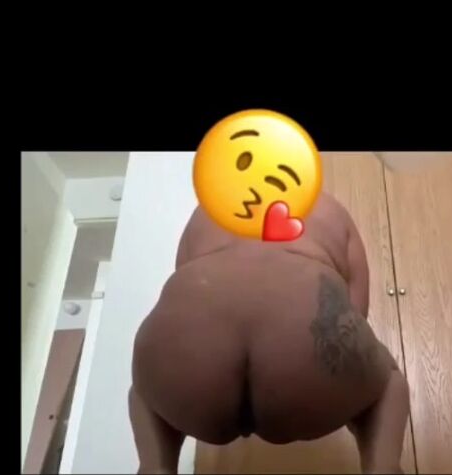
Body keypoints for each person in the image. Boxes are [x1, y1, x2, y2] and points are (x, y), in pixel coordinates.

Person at [130, 192, 411, 474]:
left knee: (147, 391)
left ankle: (155, 466)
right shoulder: (326, 207)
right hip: (304, 330)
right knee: (388, 386)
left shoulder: (209, 209)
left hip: (197, 331)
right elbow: (356, 312)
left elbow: (182, 286)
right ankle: (382, 468)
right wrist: (348, 394)